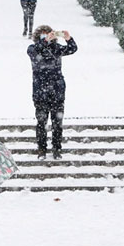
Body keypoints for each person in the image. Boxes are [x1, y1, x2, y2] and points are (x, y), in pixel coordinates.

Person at [27, 26, 78, 159]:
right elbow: (36, 50)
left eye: (48, 35)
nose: (46, 37)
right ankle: (41, 149)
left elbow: (72, 49)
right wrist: (44, 42)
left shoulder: (56, 48)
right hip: (40, 91)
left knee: (57, 122)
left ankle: (56, 148)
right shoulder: (33, 49)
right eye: (43, 35)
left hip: (57, 90)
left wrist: (69, 39)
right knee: (41, 122)